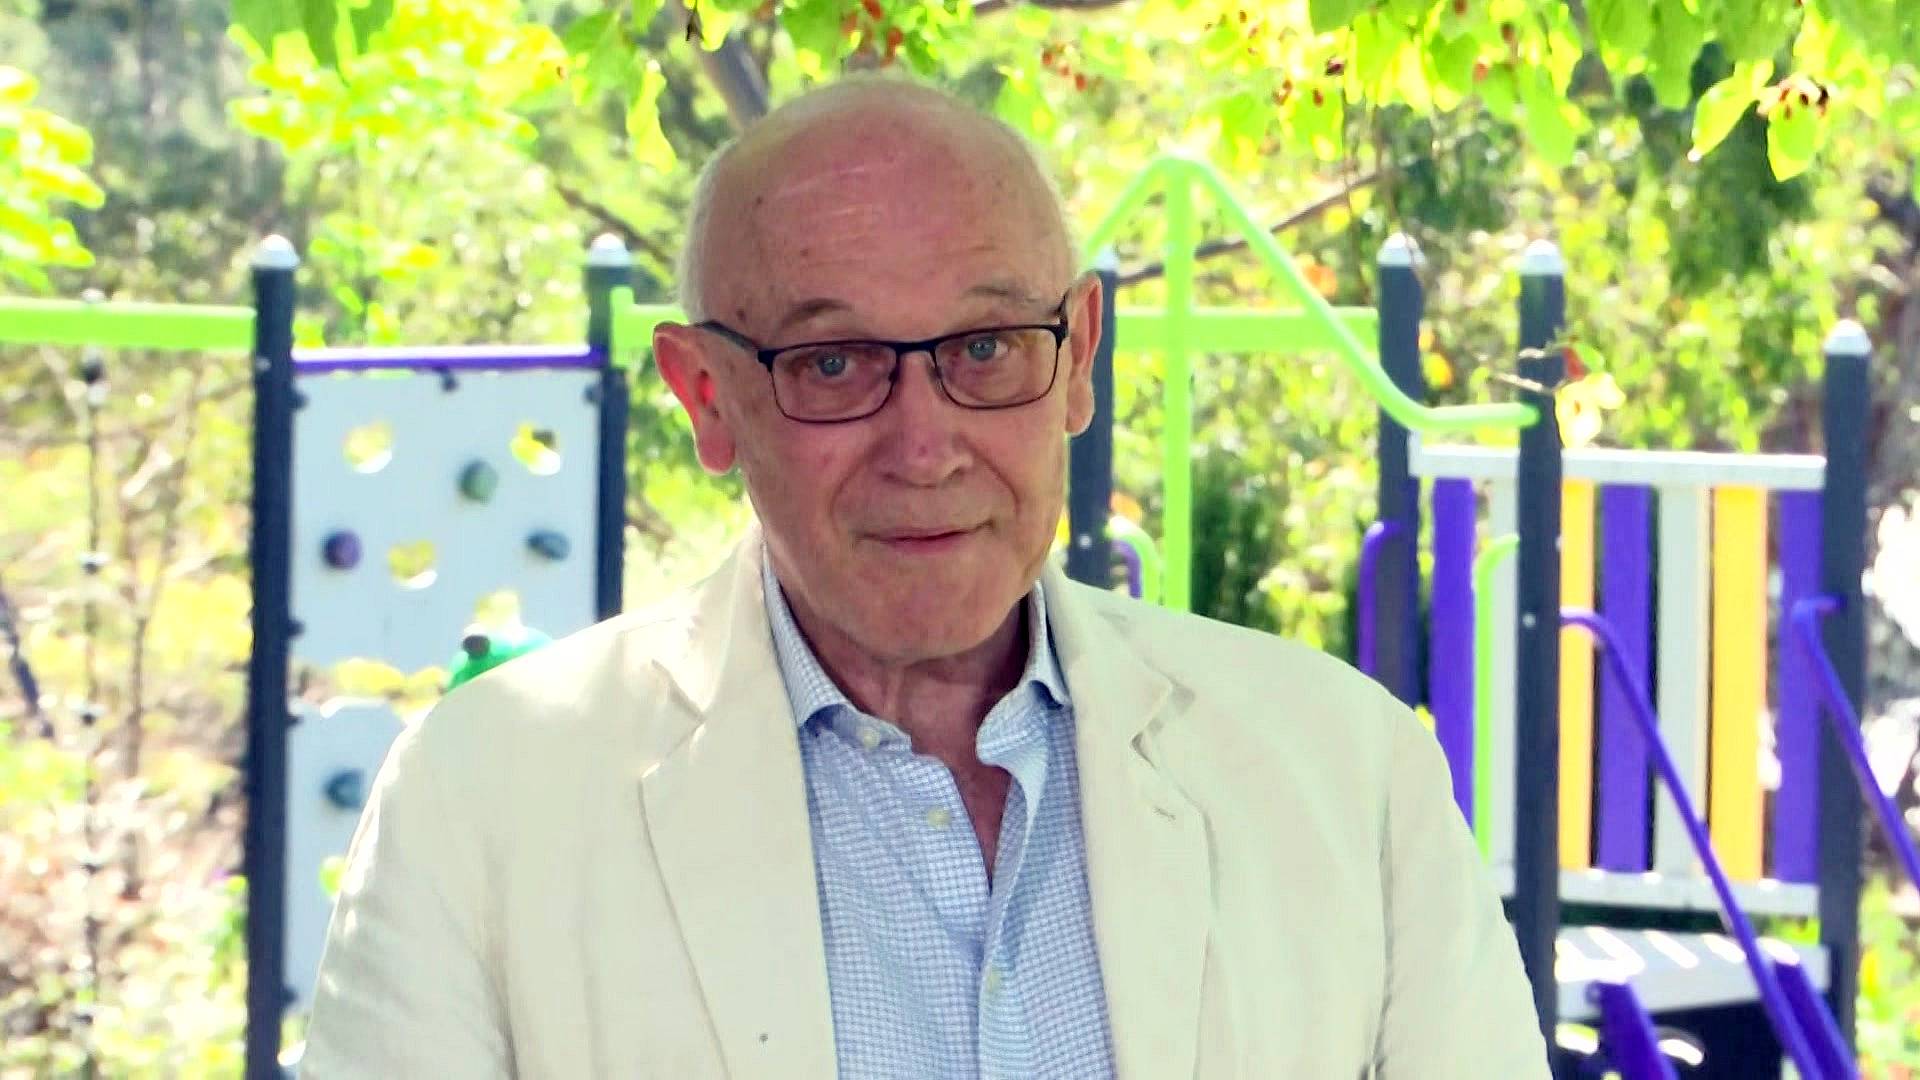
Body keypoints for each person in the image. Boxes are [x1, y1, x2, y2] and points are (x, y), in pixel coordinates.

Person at [300, 76, 1548, 1078]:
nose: (924, 441)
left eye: (988, 347)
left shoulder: (1345, 774)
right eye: (833, 364)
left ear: (1079, 363)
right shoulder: (483, 807)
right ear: (706, 398)